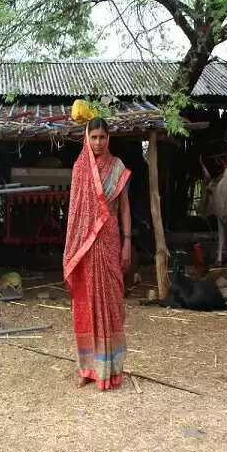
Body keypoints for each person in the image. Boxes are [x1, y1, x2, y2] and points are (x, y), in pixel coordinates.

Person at [63, 117, 132, 390]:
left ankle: (111, 370)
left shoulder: (117, 167)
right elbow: (75, 214)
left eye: (103, 137)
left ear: (108, 139)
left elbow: (125, 208)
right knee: (86, 304)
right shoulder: (80, 169)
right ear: (86, 138)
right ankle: (87, 369)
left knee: (112, 305)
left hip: (110, 242)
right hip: (86, 248)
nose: (98, 143)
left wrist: (127, 242)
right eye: (94, 137)